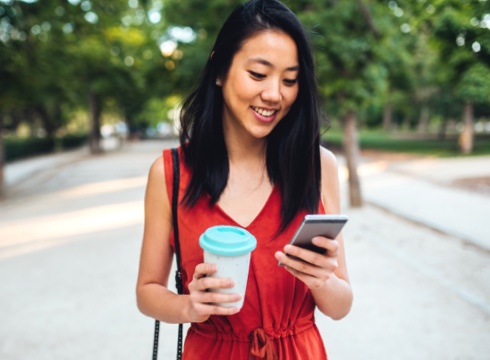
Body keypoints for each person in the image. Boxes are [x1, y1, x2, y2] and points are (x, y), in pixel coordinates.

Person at [136, 0, 353, 358]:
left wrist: (322, 280)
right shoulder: (170, 173)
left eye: (290, 80)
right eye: (258, 74)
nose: (274, 94)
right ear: (219, 69)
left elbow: (341, 305)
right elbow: (147, 291)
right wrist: (190, 307)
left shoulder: (318, 165)